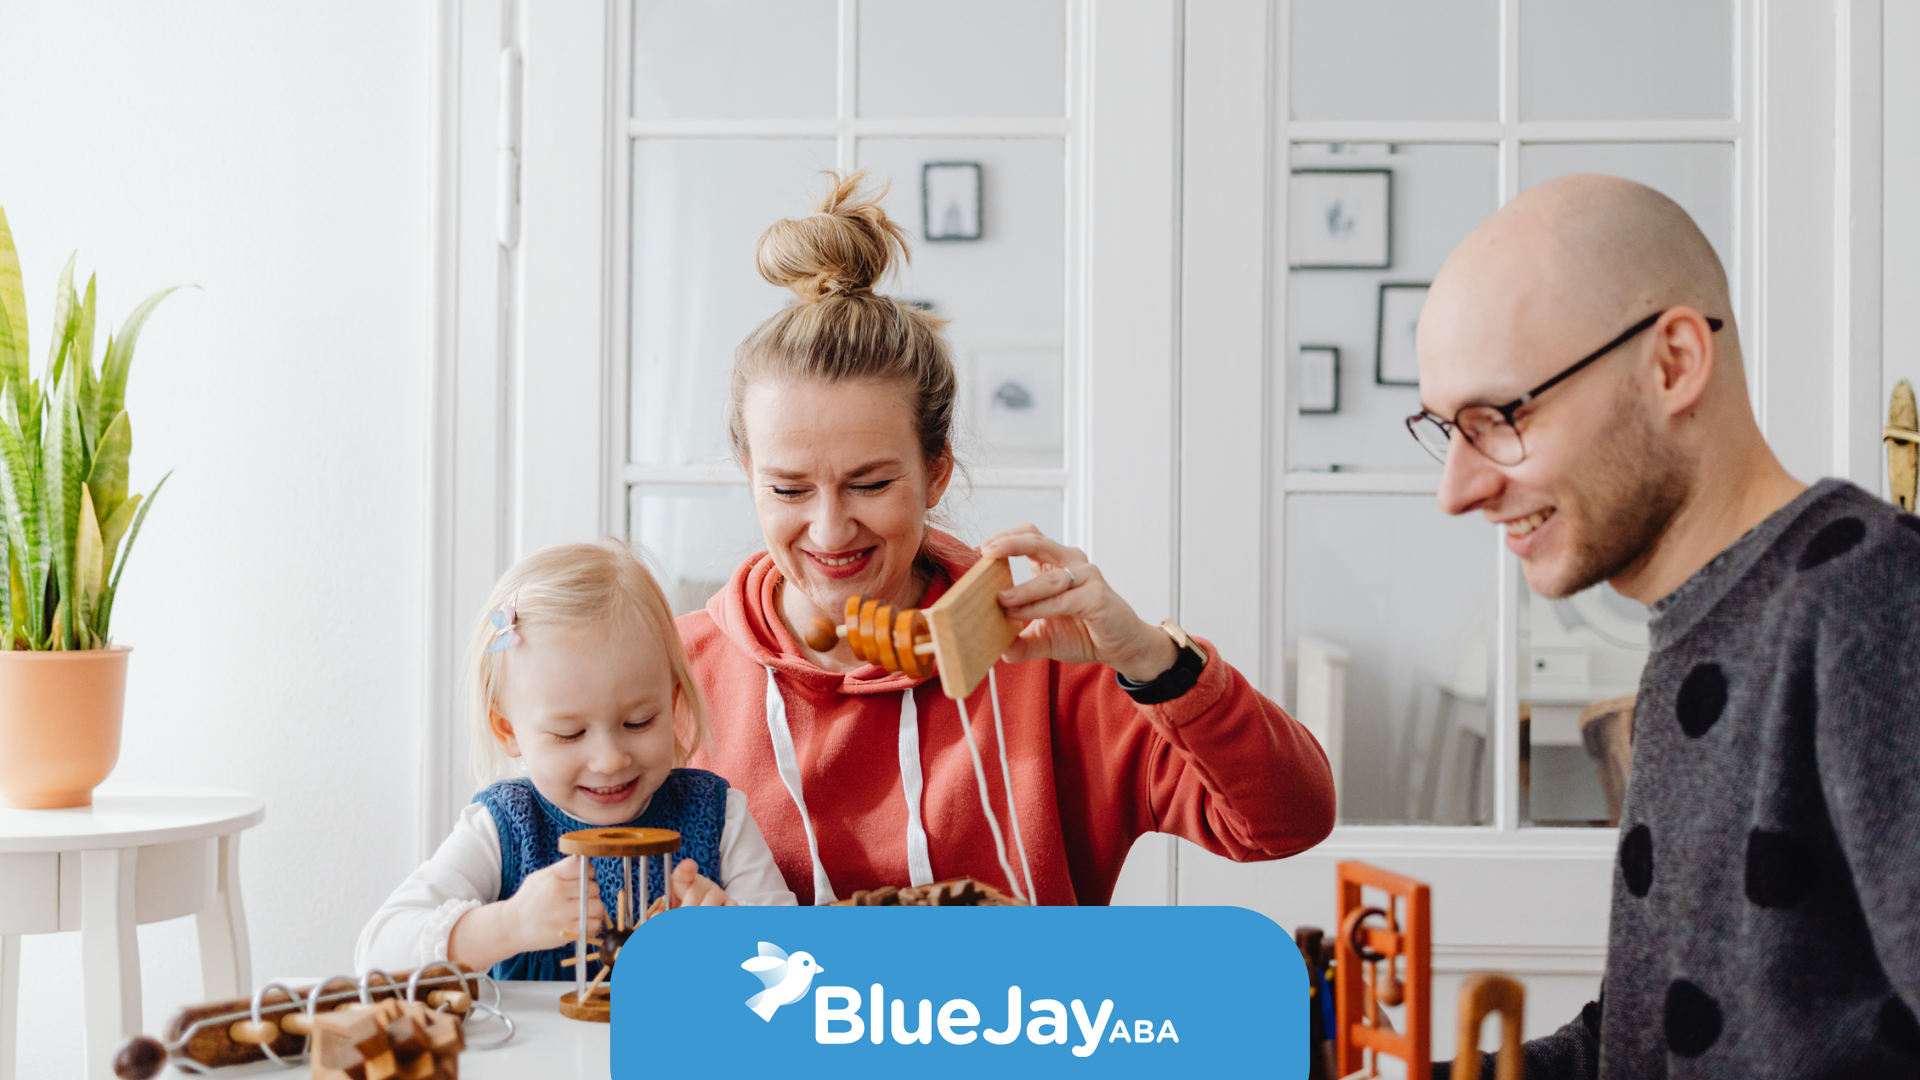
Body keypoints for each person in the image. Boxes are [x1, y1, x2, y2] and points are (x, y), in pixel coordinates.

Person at [677, 173, 1336, 907]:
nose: (830, 530)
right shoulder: (672, 678)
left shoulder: (1045, 661)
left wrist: (1150, 657)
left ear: (935, 473)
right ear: (749, 475)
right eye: (790, 489)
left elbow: (1287, 823)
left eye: (870, 484)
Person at [1412, 174, 1920, 1077]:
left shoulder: (1871, 596)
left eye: (1498, 419)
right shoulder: (1700, 626)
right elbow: (1655, 1036)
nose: (1457, 491)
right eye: (1445, 429)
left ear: (1674, 363)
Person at [357, 542, 795, 980]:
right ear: (507, 730)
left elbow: (798, 969)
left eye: (639, 722)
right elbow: (378, 952)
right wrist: (509, 926)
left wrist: (732, 938)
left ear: (674, 704)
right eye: (570, 733)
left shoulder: (719, 816)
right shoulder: (503, 828)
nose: (608, 760)